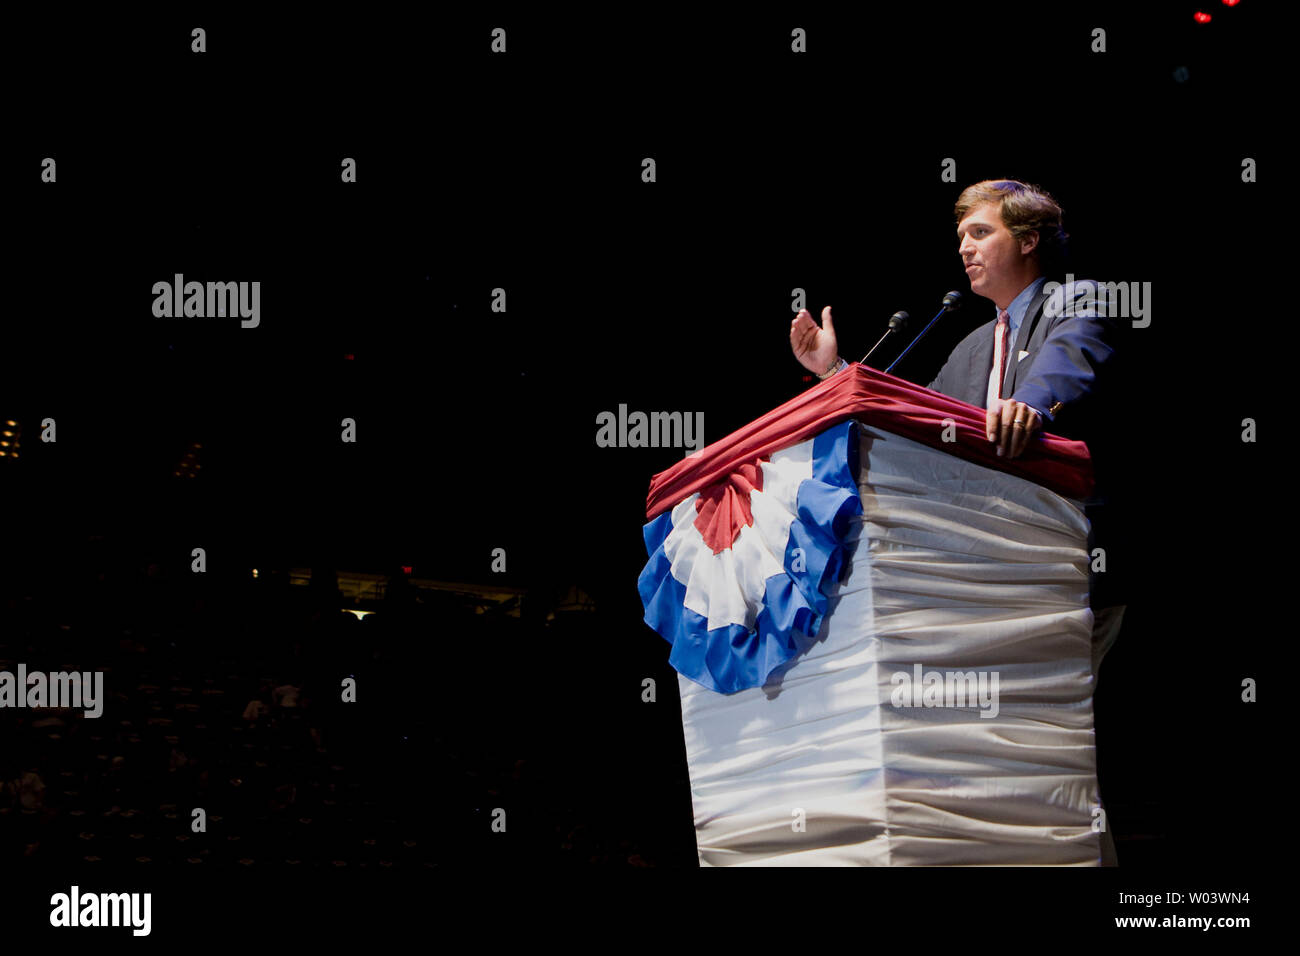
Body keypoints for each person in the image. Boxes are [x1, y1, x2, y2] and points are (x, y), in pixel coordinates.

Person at [790, 179, 1128, 864]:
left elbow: (1071, 361)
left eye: (981, 234)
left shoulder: (1079, 299)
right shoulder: (973, 345)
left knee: (1047, 743)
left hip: (1069, 571)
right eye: (961, 241)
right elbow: (914, 420)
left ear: (1029, 240)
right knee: (1005, 753)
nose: (965, 252)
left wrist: (1032, 404)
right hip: (986, 579)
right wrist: (836, 377)